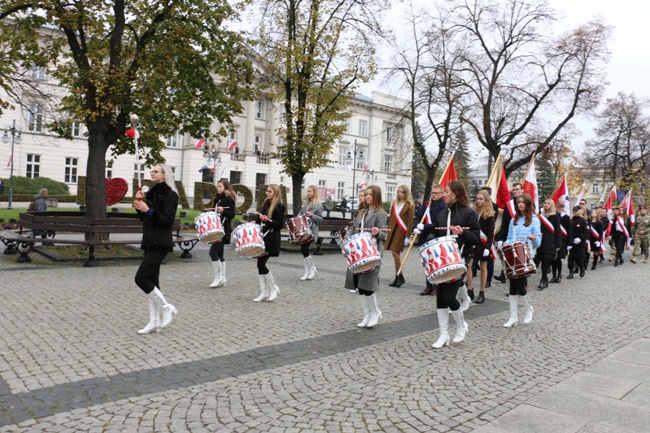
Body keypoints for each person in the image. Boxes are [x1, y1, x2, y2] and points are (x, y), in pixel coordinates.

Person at [429, 181, 479, 348]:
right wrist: (428, 238)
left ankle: (460, 326)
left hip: (460, 258)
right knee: (440, 297)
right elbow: (436, 232)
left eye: (448, 192)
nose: (445, 195)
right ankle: (443, 334)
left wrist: (463, 232)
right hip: (442, 260)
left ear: (455, 194)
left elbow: (476, 238)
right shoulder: (442, 214)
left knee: (449, 295)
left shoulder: (469, 213)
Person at [133, 164, 179, 334]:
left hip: (160, 243)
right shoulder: (151, 193)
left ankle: (166, 307)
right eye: (151, 171)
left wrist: (149, 210)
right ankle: (154, 320)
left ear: (164, 174)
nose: (152, 173)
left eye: (155, 171)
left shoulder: (171, 195)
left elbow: (167, 221)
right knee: (153, 284)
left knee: (141, 278)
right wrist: (140, 203)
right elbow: (144, 218)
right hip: (149, 241)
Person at [344, 185, 388, 328]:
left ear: (376, 196)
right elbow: (353, 228)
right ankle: (367, 314)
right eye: (366, 194)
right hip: (358, 253)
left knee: (368, 285)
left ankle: (375, 313)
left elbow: (384, 235)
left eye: (370, 194)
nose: (367, 196)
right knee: (359, 285)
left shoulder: (381, 214)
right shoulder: (362, 212)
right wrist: (346, 240)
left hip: (372, 253)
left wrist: (377, 233)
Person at [501, 193, 541, 328]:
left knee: (520, 286)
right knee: (512, 286)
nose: (521, 204)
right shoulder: (514, 220)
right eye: (519, 202)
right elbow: (508, 237)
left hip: (525, 255)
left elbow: (538, 242)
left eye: (523, 202)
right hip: (512, 256)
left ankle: (528, 308)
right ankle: (513, 317)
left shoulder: (534, 220)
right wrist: (505, 245)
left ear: (528, 204)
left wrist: (534, 239)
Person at [252, 184, 285, 302]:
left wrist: (268, 220)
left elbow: (280, 225)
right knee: (259, 265)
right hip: (262, 238)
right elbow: (260, 219)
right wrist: (255, 221)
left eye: (269, 191)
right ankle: (263, 292)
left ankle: (273, 288)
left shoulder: (280, 207)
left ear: (275, 193)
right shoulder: (266, 204)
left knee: (261, 264)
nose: (267, 193)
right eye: (267, 191)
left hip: (271, 240)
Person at [413, 185, 448, 296]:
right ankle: (428, 285)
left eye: (436, 193)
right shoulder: (428, 204)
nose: (433, 194)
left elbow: (439, 224)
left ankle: (437, 286)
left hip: (435, 236)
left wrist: (425, 227)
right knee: (426, 261)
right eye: (432, 192)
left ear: (441, 193)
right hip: (424, 236)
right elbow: (419, 216)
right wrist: (416, 227)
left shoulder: (444, 206)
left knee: (436, 261)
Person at [466, 190, 495, 303]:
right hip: (473, 243)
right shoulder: (473, 212)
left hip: (483, 245)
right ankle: (470, 289)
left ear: (486, 200)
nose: (478, 201)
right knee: (469, 265)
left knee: (483, 268)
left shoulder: (490, 214)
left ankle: (482, 292)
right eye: (477, 199)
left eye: (481, 199)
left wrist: (488, 247)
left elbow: (490, 233)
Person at [207, 180, 236, 288]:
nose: (218, 188)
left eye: (220, 186)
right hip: (216, 229)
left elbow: (232, 215)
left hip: (222, 231)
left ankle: (218, 277)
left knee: (212, 253)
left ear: (226, 188)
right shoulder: (218, 199)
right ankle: (222, 277)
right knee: (219, 255)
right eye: (217, 186)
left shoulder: (229, 200)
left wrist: (223, 211)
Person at [494, 182, 524, 284]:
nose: (515, 191)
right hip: (510, 236)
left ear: (522, 190)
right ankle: (506, 275)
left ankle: (522, 283)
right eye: (514, 190)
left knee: (520, 260)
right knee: (509, 257)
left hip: (522, 237)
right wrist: (501, 238)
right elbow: (505, 222)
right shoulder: (509, 205)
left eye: (517, 189)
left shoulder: (528, 204)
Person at [385, 185, 415, 287]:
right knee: (394, 253)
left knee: (395, 253)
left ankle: (399, 275)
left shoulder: (409, 205)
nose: (400, 194)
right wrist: (388, 232)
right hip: (393, 231)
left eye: (402, 192)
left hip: (401, 232)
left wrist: (408, 236)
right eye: (398, 192)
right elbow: (391, 219)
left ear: (406, 193)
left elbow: (410, 222)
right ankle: (398, 276)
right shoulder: (395, 203)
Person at [298, 185, 324, 280]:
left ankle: (311, 269)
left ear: (314, 193)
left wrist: (312, 215)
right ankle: (308, 270)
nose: (308, 193)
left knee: (304, 249)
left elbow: (321, 219)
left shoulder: (318, 205)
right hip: (304, 230)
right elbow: (300, 214)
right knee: (303, 250)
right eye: (307, 191)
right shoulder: (306, 204)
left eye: (310, 191)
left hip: (312, 231)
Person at [536, 198, 561, 289]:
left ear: (551, 205)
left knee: (546, 260)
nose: (546, 205)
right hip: (540, 242)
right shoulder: (540, 216)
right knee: (542, 260)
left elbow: (558, 232)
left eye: (548, 203)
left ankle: (543, 279)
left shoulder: (555, 217)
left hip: (550, 243)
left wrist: (558, 246)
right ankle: (545, 278)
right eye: (545, 203)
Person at [551, 200, 571, 283]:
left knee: (558, 258)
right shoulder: (553, 216)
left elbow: (569, 231)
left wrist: (569, 243)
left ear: (563, 208)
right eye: (557, 207)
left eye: (560, 208)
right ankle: (554, 275)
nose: (558, 209)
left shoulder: (566, 217)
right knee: (553, 259)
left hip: (562, 241)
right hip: (553, 240)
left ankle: (559, 274)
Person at [567, 206, 588, 278]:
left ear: (579, 211)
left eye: (576, 210)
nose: (574, 211)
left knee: (579, 257)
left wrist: (580, 238)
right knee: (571, 258)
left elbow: (585, 232)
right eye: (573, 210)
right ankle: (571, 272)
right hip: (572, 241)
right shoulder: (571, 220)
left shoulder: (583, 220)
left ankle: (582, 268)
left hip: (580, 242)